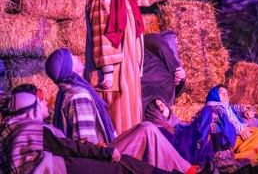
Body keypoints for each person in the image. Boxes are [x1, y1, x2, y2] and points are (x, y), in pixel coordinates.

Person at [45, 47, 203, 174]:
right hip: (99, 161)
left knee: (146, 128)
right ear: (69, 67)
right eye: (71, 55)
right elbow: (87, 145)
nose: (76, 56)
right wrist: (109, 151)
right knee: (148, 131)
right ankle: (188, 171)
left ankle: (182, 169)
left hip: (100, 152)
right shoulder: (78, 97)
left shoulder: (68, 92)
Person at [85, 0, 176, 134]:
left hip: (127, 65)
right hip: (113, 70)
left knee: (130, 110)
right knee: (117, 113)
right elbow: (101, 35)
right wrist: (107, 71)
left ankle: (132, 150)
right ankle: (120, 153)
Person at [0, 83, 182, 174]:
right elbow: (70, 147)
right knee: (144, 134)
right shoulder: (78, 96)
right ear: (30, 108)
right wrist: (103, 152)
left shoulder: (17, 129)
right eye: (40, 99)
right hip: (70, 161)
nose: (45, 101)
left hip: (75, 155)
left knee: (145, 131)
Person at [142, 31, 186, 115]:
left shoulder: (169, 62)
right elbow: (161, 46)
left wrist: (181, 76)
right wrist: (177, 69)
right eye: (174, 38)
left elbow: (178, 91)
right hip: (153, 87)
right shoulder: (150, 39)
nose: (177, 42)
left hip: (161, 90)